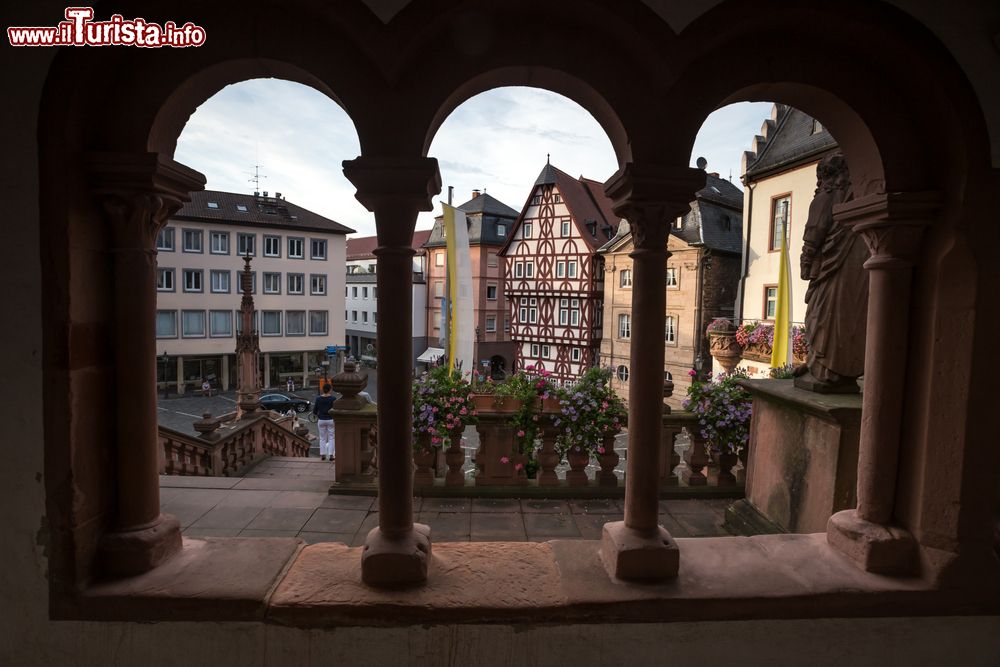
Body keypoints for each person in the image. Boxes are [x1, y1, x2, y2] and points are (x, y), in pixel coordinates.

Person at [312, 383, 336, 461]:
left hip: (321, 420)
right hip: (330, 419)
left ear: (323, 390)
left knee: (322, 438)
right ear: (330, 390)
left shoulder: (318, 398)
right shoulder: (333, 398)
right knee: (331, 438)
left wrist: (317, 414)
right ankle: (331, 455)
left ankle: (323, 454)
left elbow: (315, 411)